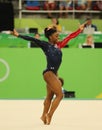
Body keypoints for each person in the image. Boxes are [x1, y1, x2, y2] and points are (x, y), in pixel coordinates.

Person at [11, 23, 85, 125]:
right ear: (50, 37)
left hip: (54, 74)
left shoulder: (59, 45)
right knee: (60, 95)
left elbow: (70, 37)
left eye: (58, 35)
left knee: (49, 97)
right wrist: (18, 35)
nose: (58, 37)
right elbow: (32, 39)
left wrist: (79, 30)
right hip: (49, 73)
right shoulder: (45, 45)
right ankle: (49, 115)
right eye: (56, 36)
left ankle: (43, 116)